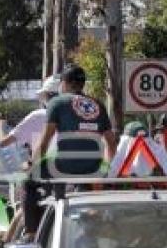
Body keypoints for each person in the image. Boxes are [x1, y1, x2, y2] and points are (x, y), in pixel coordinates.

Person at [27, 64, 117, 235]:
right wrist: (105, 168)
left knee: (28, 183)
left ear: (64, 83)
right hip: (93, 168)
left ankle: (31, 233)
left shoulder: (57, 102)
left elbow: (45, 141)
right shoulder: (98, 104)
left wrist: (34, 164)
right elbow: (111, 143)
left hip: (62, 167)